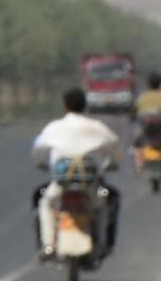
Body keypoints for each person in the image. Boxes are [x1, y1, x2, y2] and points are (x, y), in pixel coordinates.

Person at [31, 86, 123, 258]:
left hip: (61, 184)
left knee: (46, 203)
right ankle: (102, 244)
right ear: (85, 106)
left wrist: (42, 164)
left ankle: (49, 245)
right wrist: (112, 164)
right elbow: (116, 148)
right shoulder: (97, 127)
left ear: (65, 106)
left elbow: (38, 151)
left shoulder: (54, 127)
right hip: (90, 184)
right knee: (102, 205)